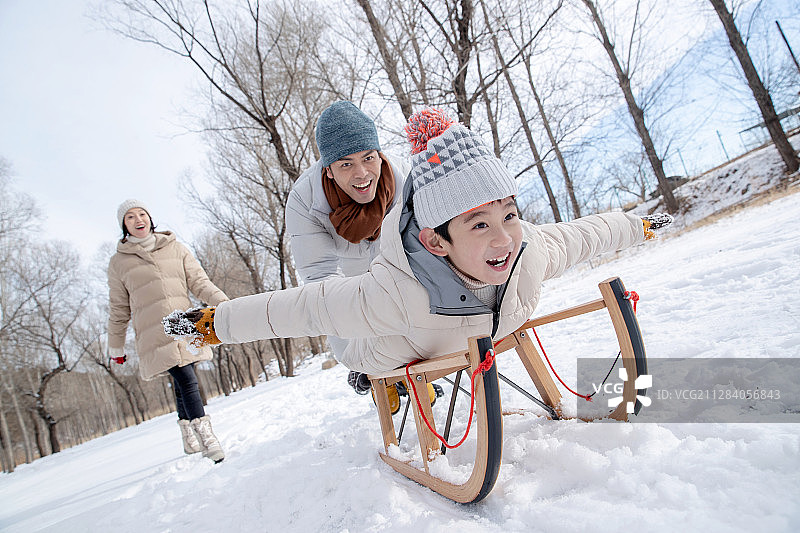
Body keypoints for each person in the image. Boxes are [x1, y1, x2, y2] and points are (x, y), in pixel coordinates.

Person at [164, 108, 669, 385]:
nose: (504, 239)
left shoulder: (521, 247)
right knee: (346, 324)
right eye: (346, 165)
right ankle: (369, 373)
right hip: (382, 296)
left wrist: (641, 224)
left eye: (510, 217)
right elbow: (308, 300)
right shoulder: (310, 207)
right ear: (329, 170)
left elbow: (582, 235)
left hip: (405, 262)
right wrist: (213, 323)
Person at [285, 101, 439, 404]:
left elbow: (430, 246)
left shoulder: (405, 177)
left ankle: (413, 369)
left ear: (379, 154)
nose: (362, 173)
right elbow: (321, 282)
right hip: (345, 277)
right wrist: (361, 360)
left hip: (396, 262)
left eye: (369, 158)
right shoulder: (304, 201)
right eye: (346, 164)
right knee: (351, 318)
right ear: (328, 170)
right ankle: (378, 377)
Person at [107, 199, 229, 463]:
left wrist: (225, 303)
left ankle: (187, 433)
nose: (138, 219)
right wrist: (115, 347)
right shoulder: (118, 263)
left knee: (184, 377)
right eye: (130, 217)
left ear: (150, 218)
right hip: (154, 332)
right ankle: (206, 436)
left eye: (142, 213)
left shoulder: (176, 248)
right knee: (186, 378)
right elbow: (118, 308)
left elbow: (199, 283)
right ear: (124, 226)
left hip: (184, 324)